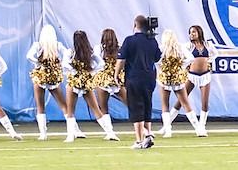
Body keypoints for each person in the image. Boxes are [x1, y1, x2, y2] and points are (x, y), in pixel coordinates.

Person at [118, 15, 163, 149]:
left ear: (135, 25)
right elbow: (157, 57)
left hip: (134, 78)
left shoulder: (129, 40)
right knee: (147, 108)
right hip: (149, 78)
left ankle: (139, 140)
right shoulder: (152, 41)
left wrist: (116, 74)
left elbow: (121, 60)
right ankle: (147, 134)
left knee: (136, 109)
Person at [66, 30, 116, 141]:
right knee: (96, 109)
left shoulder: (71, 53)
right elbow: (101, 64)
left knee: (70, 111)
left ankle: (70, 136)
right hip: (85, 82)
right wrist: (91, 71)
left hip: (74, 82)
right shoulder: (89, 53)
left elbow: (65, 64)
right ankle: (110, 133)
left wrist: (75, 71)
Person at [156, 28, 206, 137]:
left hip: (164, 78)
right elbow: (191, 58)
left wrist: (162, 68)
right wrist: (180, 66)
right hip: (177, 78)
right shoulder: (180, 47)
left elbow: (155, 61)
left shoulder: (161, 48)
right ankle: (198, 130)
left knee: (165, 105)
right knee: (186, 103)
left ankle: (168, 131)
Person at [187, 25, 213, 134]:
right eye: (190, 32)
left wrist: (209, 60)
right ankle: (167, 124)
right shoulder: (188, 46)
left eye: (194, 32)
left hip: (205, 76)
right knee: (181, 100)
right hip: (191, 76)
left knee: (205, 103)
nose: (191, 34)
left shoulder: (207, 44)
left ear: (199, 33)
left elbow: (216, 54)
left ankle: (202, 126)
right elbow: (183, 57)